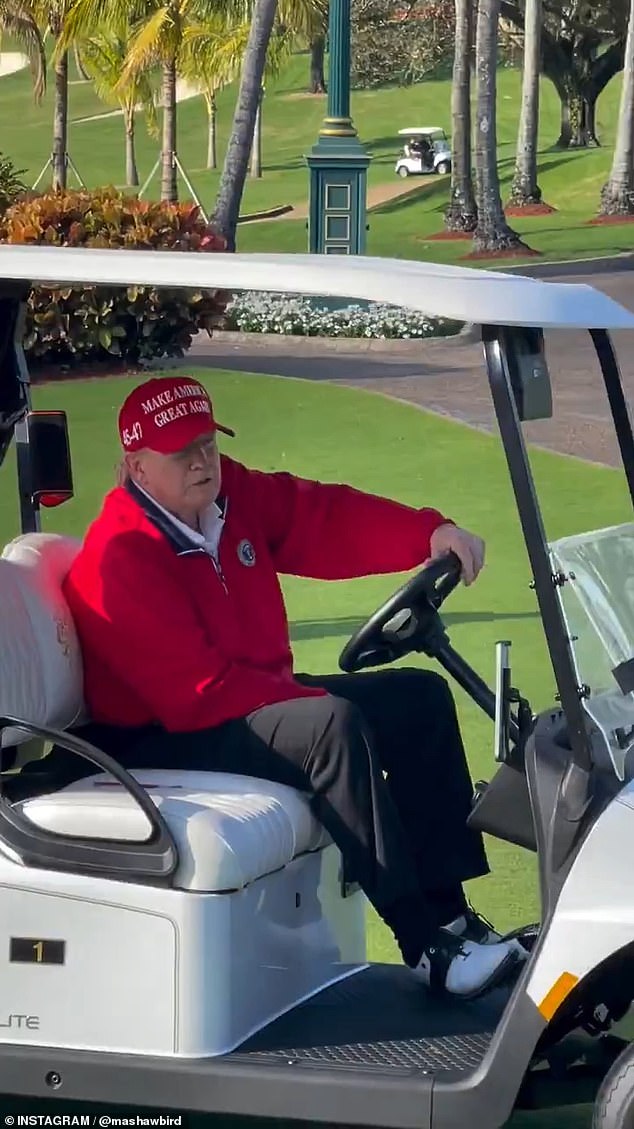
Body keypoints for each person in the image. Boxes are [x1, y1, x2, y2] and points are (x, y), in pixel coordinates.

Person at [61, 375, 526, 1000]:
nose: (202, 461)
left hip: (234, 693)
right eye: (181, 452)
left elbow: (323, 519)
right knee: (330, 726)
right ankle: (423, 946)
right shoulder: (119, 558)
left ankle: (451, 918)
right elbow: (195, 695)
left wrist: (426, 534)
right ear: (137, 467)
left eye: (207, 443)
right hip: (158, 734)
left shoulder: (230, 499)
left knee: (417, 698)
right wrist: (311, 704)